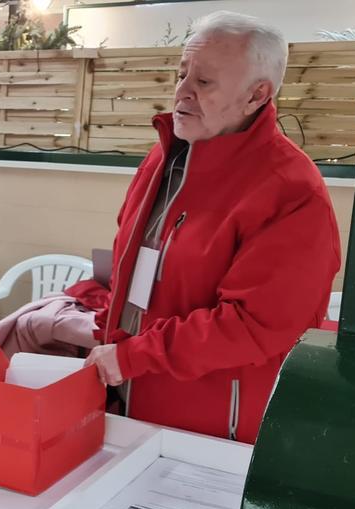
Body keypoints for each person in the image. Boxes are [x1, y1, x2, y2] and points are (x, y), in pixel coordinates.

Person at [86, 11, 341, 444]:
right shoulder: (165, 159)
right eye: (182, 75)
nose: (182, 93)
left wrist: (134, 356)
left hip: (215, 425)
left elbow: (254, 324)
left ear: (256, 95)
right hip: (130, 400)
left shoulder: (292, 191)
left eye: (204, 82)